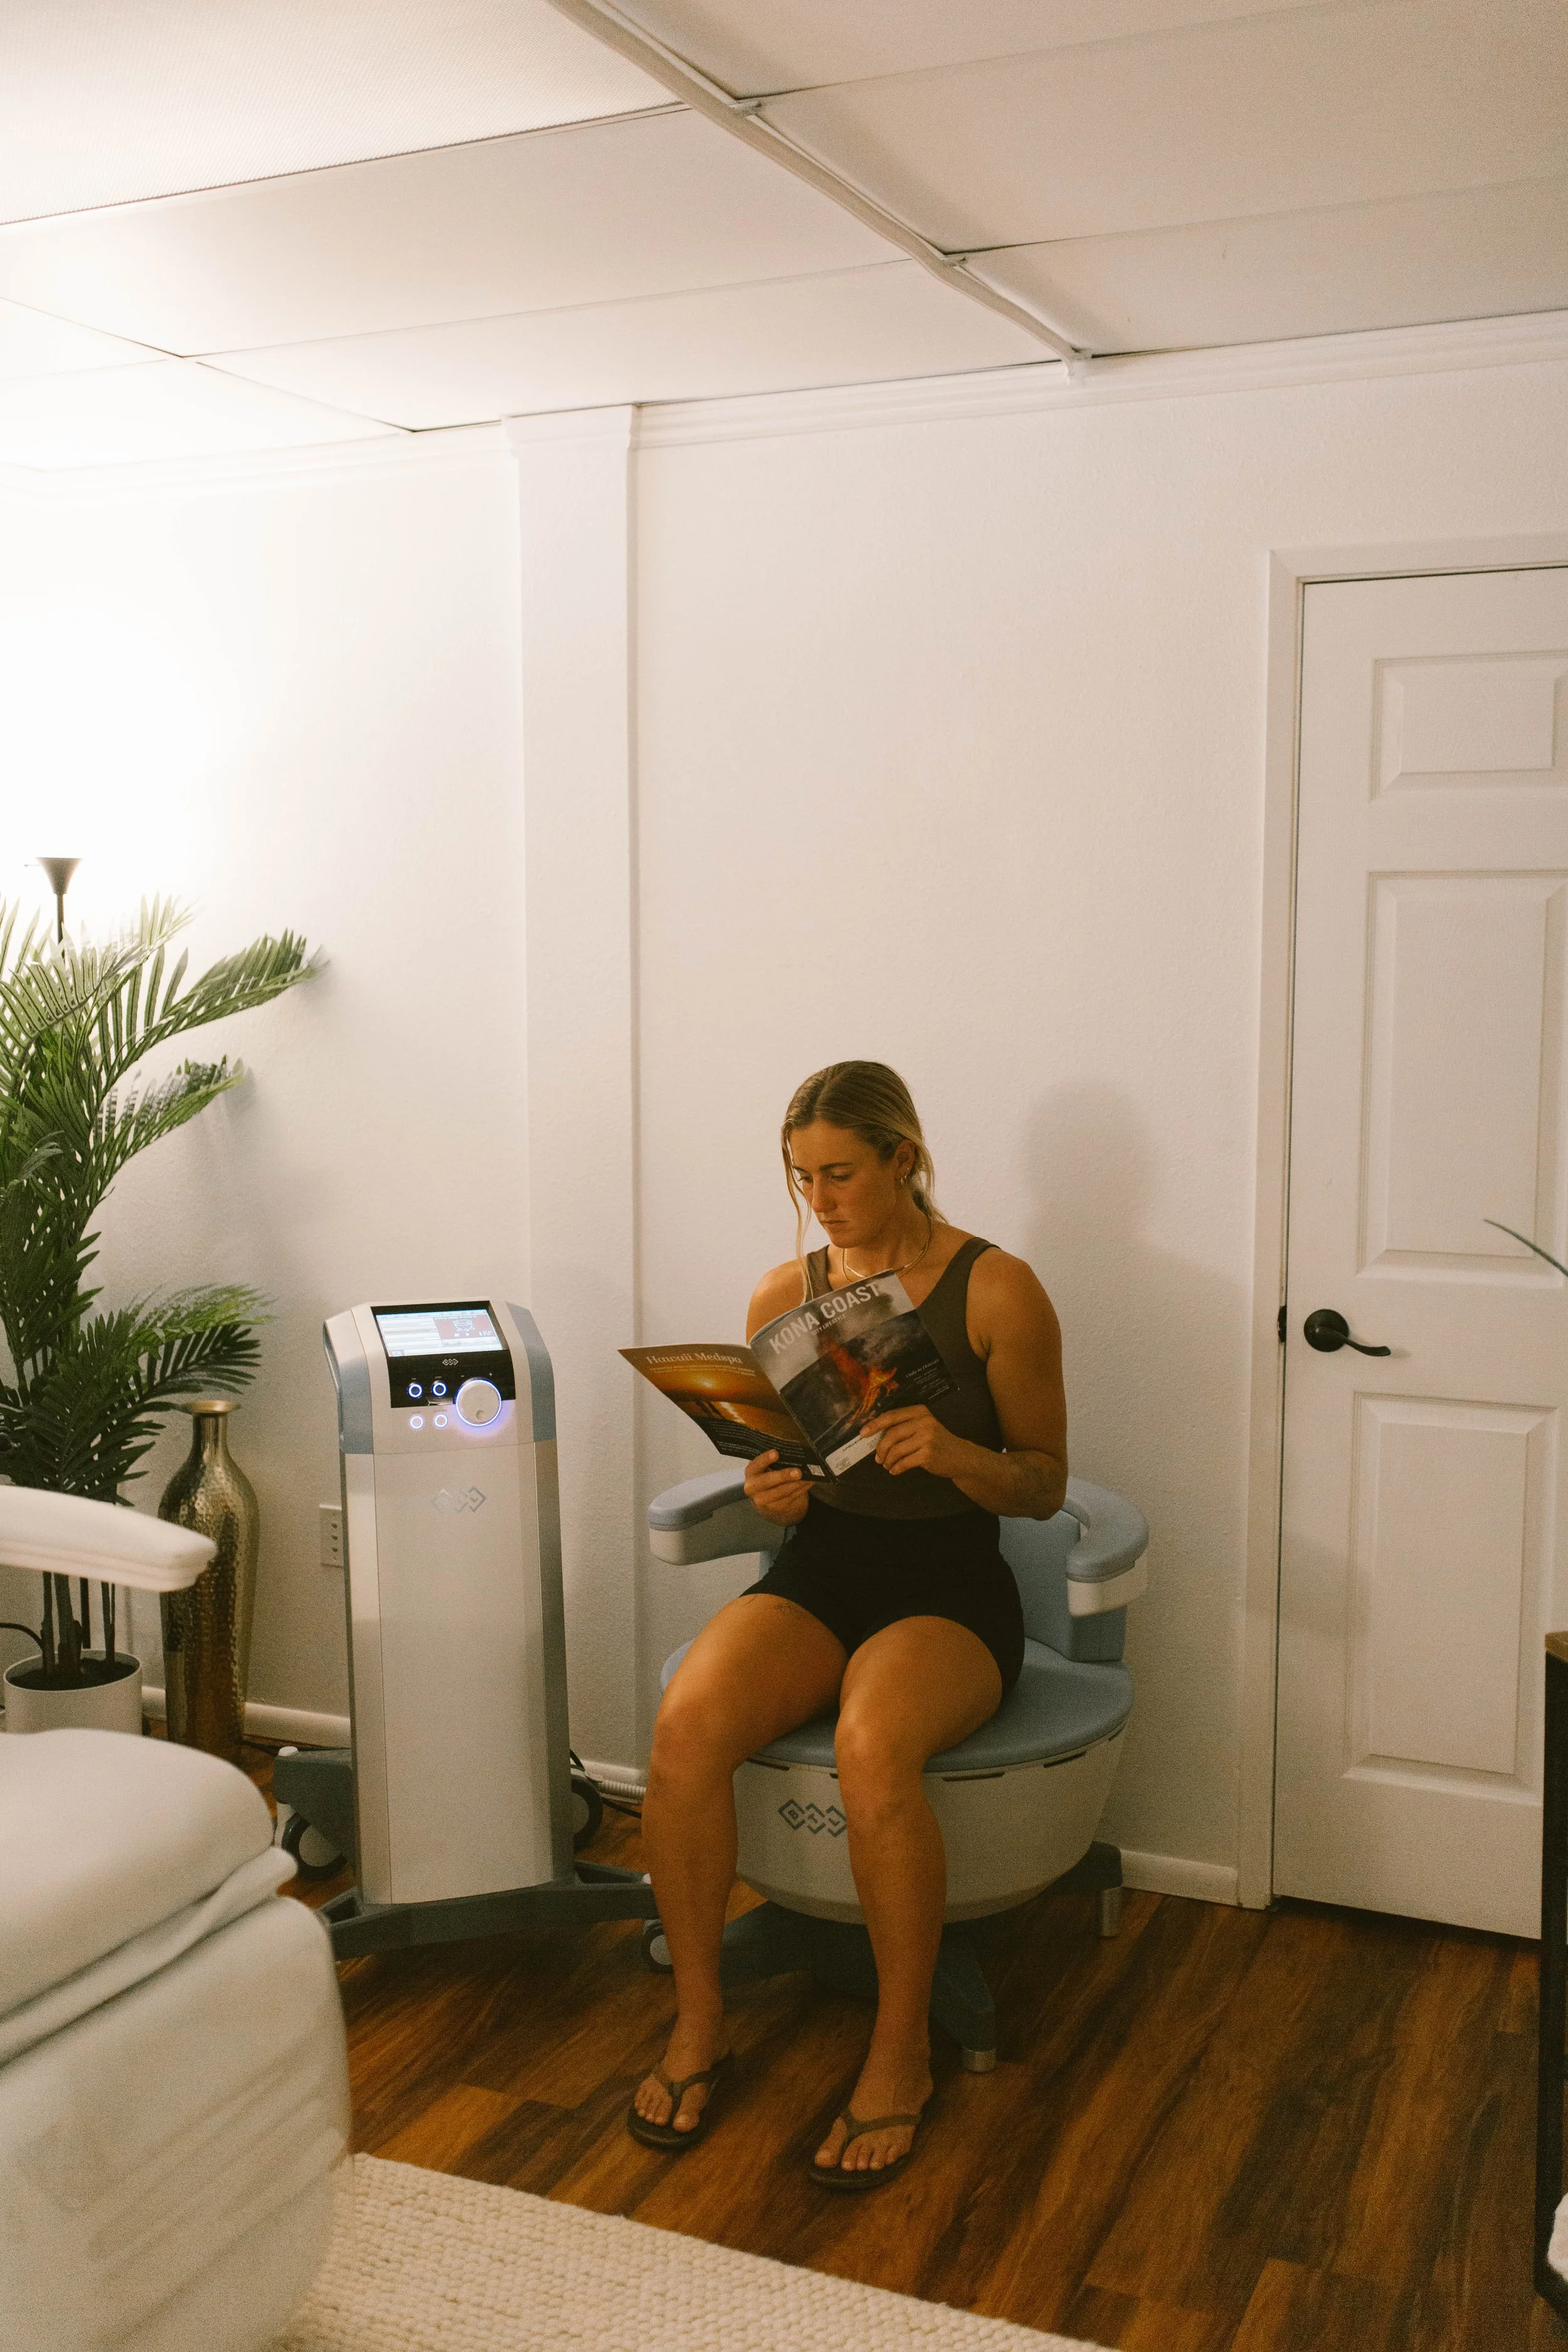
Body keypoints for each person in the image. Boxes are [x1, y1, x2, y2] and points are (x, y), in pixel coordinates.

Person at [629, 1061, 1067, 2185]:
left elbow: (1045, 1485)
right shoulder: (787, 1294)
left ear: (903, 1159)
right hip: (829, 1562)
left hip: (950, 1582)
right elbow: (795, 1465)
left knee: (876, 1744)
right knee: (684, 1727)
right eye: (800, 1177)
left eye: (841, 1173)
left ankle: (899, 2049)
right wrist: (776, 1488)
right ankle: (696, 2023)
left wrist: (960, 1453)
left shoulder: (996, 1288)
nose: (821, 1199)